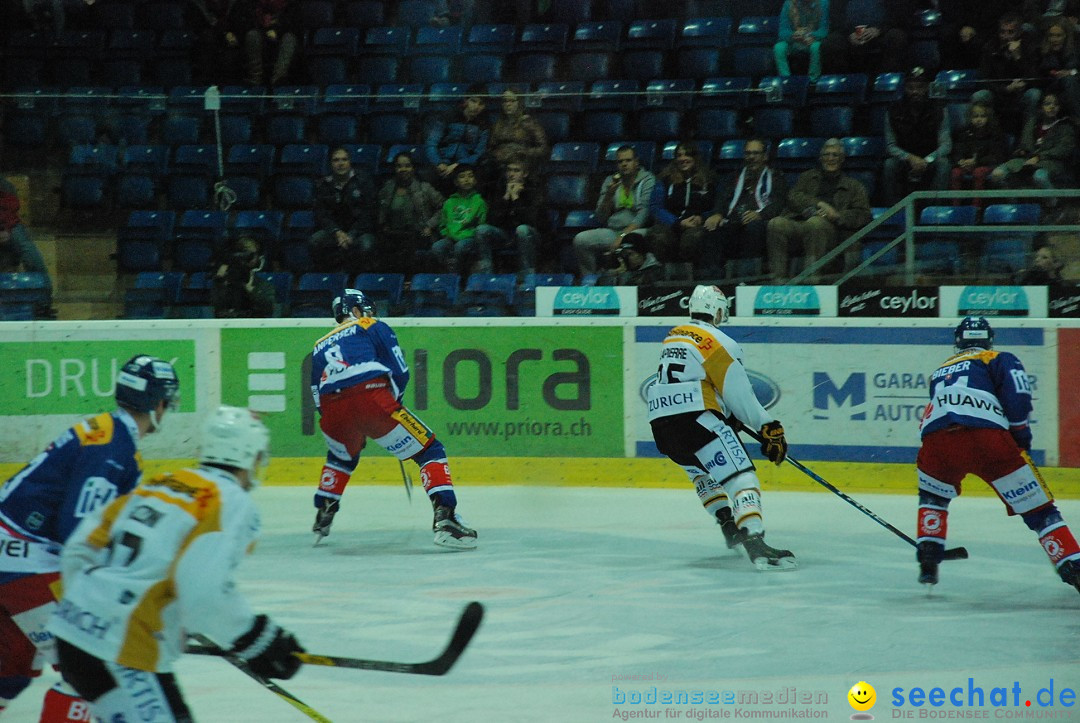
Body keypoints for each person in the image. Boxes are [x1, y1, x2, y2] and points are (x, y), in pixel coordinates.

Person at [48, 406, 306, 721]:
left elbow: (79, 547)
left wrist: (90, 608)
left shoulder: (161, 483)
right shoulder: (230, 501)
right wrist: (254, 638)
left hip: (71, 636)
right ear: (252, 457)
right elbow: (202, 591)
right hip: (119, 648)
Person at [0, 355, 179, 719]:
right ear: (159, 403)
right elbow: (78, 532)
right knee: (90, 671)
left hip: (13, 556)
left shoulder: (108, 433)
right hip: (26, 564)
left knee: (8, 673)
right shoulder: (112, 449)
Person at [915, 316, 1080, 594]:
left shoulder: (940, 371)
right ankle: (1073, 567)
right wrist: (1020, 439)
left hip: (936, 440)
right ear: (989, 339)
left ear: (958, 341)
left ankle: (929, 557)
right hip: (986, 437)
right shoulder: (998, 358)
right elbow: (1017, 397)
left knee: (934, 496)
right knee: (1041, 512)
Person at [309, 289, 477, 550]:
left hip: (332, 408)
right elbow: (400, 371)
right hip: (371, 394)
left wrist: (349, 421)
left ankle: (324, 512)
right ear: (356, 311)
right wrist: (390, 405)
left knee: (343, 456)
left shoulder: (319, 345)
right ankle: (447, 519)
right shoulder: (372, 325)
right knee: (430, 449)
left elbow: (316, 396)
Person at [645, 285, 795, 571]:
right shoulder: (719, 341)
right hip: (697, 421)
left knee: (701, 472)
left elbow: (691, 381)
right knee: (741, 477)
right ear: (718, 310)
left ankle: (728, 522)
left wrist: (727, 415)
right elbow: (739, 393)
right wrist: (768, 426)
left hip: (662, 426)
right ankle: (754, 540)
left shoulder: (674, 335)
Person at [765, 138, 872, 283]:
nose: (830, 159)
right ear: (821, 158)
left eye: (835, 155)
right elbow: (793, 197)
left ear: (842, 159)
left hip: (834, 232)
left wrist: (836, 215)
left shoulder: (854, 186)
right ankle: (778, 280)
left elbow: (864, 215)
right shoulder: (807, 177)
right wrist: (820, 204)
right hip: (801, 223)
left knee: (816, 223)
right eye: (826, 155)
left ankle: (812, 279)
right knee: (775, 223)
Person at [703, 138, 788, 278]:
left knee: (753, 228)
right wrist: (717, 213)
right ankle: (712, 281)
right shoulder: (735, 177)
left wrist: (760, 215)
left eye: (756, 153)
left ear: (765, 156)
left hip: (761, 222)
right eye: (748, 153)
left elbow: (780, 203)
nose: (751, 157)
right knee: (711, 228)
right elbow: (723, 198)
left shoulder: (776, 177)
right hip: (734, 221)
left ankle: (747, 278)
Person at [572, 145, 657, 277]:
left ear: (636, 162)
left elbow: (643, 214)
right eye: (620, 161)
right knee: (581, 240)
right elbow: (600, 217)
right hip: (613, 231)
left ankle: (638, 279)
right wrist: (608, 196)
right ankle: (591, 280)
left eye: (628, 160)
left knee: (633, 239)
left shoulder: (647, 180)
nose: (624, 164)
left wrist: (622, 236)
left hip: (638, 230)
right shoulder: (610, 181)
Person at [882, 66, 952, 205]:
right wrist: (909, 158)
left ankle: (932, 213)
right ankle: (893, 212)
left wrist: (927, 160)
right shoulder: (893, 111)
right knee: (889, 165)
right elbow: (890, 146)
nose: (915, 92)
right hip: (905, 160)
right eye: (911, 87)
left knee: (944, 164)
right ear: (905, 88)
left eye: (920, 87)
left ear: (927, 88)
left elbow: (946, 145)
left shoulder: (939, 110)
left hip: (930, 160)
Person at [309, 146, 378, 275]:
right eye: (336, 160)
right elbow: (321, 214)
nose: (340, 163)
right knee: (315, 241)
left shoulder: (363, 181)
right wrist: (337, 232)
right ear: (331, 164)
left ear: (350, 162)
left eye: (344, 159)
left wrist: (352, 234)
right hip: (335, 233)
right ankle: (325, 278)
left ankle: (358, 281)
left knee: (367, 245)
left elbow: (369, 212)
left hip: (359, 232)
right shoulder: (323, 184)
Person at [989, 92, 1077, 191]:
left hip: (1052, 162)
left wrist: (1039, 156)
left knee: (1039, 177)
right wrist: (1022, 150)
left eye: (1055, 104)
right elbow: (1025, 144)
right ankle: (1012, 202)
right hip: (1027, 159)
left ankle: (1053, 203)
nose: (1052, 107)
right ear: (1041, 107)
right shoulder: (1032, 123)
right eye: (1047, 104)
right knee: (997, 174)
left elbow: (1063, 150)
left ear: (1060, 107)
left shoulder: (1066, 126)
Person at [649, 142, 717, 268]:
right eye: (679, 155)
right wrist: (677, 223)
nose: (683, 159)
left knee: (694, 238)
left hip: (697, 224)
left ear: (695, 158)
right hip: (671, 224)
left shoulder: (709, 179)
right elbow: (655, 207)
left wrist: (702, 217)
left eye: (687, 155)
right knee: (658, 236)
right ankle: (665, 274)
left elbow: (717, 205)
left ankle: (691, 275)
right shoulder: (664, 179)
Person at [375, 151, 445, 274]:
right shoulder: (387, 188)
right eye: (399, 166)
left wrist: (430, 225)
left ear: (413, 168)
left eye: (407, 166)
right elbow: (381, 212)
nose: (403, 169)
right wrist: (383, 224)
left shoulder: (424, 188)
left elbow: (444, 207)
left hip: (418, 235)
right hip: (393, 236)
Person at [972, 12, 1042, 135]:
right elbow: (982, 80)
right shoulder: (990, 47)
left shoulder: (1029, 47)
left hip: (1020, 95)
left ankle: (1025, 145)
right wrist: (1006, 89)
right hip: (998, 95)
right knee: (979, 96)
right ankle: (984, 140)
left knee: (1034, 94)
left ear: (1019, 33)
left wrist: (1018, 57)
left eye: (1010, 32)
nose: (1005, 36)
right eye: (1002, 32)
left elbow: (1035, 79)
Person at [474, 156, 543, 277]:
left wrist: (516, 198)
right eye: (509, 170)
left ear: (525, 173)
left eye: (516, 170)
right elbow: (492, 220)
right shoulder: (500, 189)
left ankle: (527, 278)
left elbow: (531, 221)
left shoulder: (534, 190)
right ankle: (486, 277)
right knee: (482, 230)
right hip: (505, 235)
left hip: (531, 235)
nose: (511, 174)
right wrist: (506, 197)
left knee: (522, 229)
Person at [0, 174, 54, 319]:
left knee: (29, 253)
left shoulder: (4, 186)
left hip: (8, 226)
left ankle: (43, 302)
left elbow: (9, 209)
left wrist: (3, 228)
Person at [423, 91, 490, 196]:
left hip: (465, 166)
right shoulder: (447, 117)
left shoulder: (484, 125)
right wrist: (438, 163)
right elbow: (431, 143)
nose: (476, 106)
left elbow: (479, 153)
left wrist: (458, 164)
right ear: (466, 101)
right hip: (441, 163)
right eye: (473, 101)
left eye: (481, 103)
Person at [820, 0, 910, 75]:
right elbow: (836, 17)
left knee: (897, 36)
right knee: (831, 43)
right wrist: (849, 34)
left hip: (881, 33)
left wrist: (879, 30)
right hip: (850, 34)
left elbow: (898, 16)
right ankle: (842, 86)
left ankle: (886, 82)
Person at [432, 164, 491, 274]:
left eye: (470, 176)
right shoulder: (449, 202)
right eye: (462, 176)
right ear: (456, 182)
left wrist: (466, 235)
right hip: (451, 238)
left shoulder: (479, 201)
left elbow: (481, 225)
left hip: (470, 239)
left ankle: (458, 277)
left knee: (460, 246)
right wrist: (447, 234)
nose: (467, 179)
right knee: (437, 247)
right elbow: (443, 225)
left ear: (475, 181)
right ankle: (449, 274)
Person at [484, 89, 549, 185]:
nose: (508, 104)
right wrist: (497, 154)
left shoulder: (529, 123)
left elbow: (543, 149)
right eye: (505, 101)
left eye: (512, 101)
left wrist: (523, 153)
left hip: (522, 166)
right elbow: (490, 148)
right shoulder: (497, 125)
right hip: (500, 166)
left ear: (519, 102)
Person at [949, 101, 1008, 206]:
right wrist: (961, 161)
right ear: (970, 117)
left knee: (978, 172)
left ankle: (977, 207)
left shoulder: (995, 133)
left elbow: (997, 156)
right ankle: (955, 205)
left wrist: (976, 161)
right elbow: (957, 150)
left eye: (982, 116)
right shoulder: (964, 132)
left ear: (988, 117)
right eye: (975, 116)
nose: (979, 119)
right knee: (955, 172)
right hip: (967, 165)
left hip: (987, 165)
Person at [211, 235, 275, 318]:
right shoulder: (226, 282)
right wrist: (220, 284)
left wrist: (252, 291)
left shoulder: (262, 285)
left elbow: (269, 309)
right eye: (243, 253)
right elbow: (217, 309)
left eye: (251, 255)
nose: (248, 259)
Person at [242, 0, 300, 85]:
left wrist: (277, 31)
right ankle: (255, 78)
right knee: (252, 35)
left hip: (283, 36)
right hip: (261, 36)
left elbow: (295, 26)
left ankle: (278, 79)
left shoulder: (291, 5)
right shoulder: (254, 5)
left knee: (289, 39)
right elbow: (246, 23)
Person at [774, 0, 829, 81]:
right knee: (778, 48)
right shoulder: (788, 3)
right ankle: (786, 80)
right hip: (793, 41)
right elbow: (782, 32)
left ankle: (813, 80)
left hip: (812, 40)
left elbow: (824, 30)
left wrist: (810, 35)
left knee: (816, 47)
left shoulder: (823, 3)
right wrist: (793, 35)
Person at [595, 231, 662, 286]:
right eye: (624, 254)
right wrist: (615, 274)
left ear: (642, 253)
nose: (627, 258)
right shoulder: (622, 270)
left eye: (630, 254)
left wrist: (625, 276)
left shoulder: (656, 270)